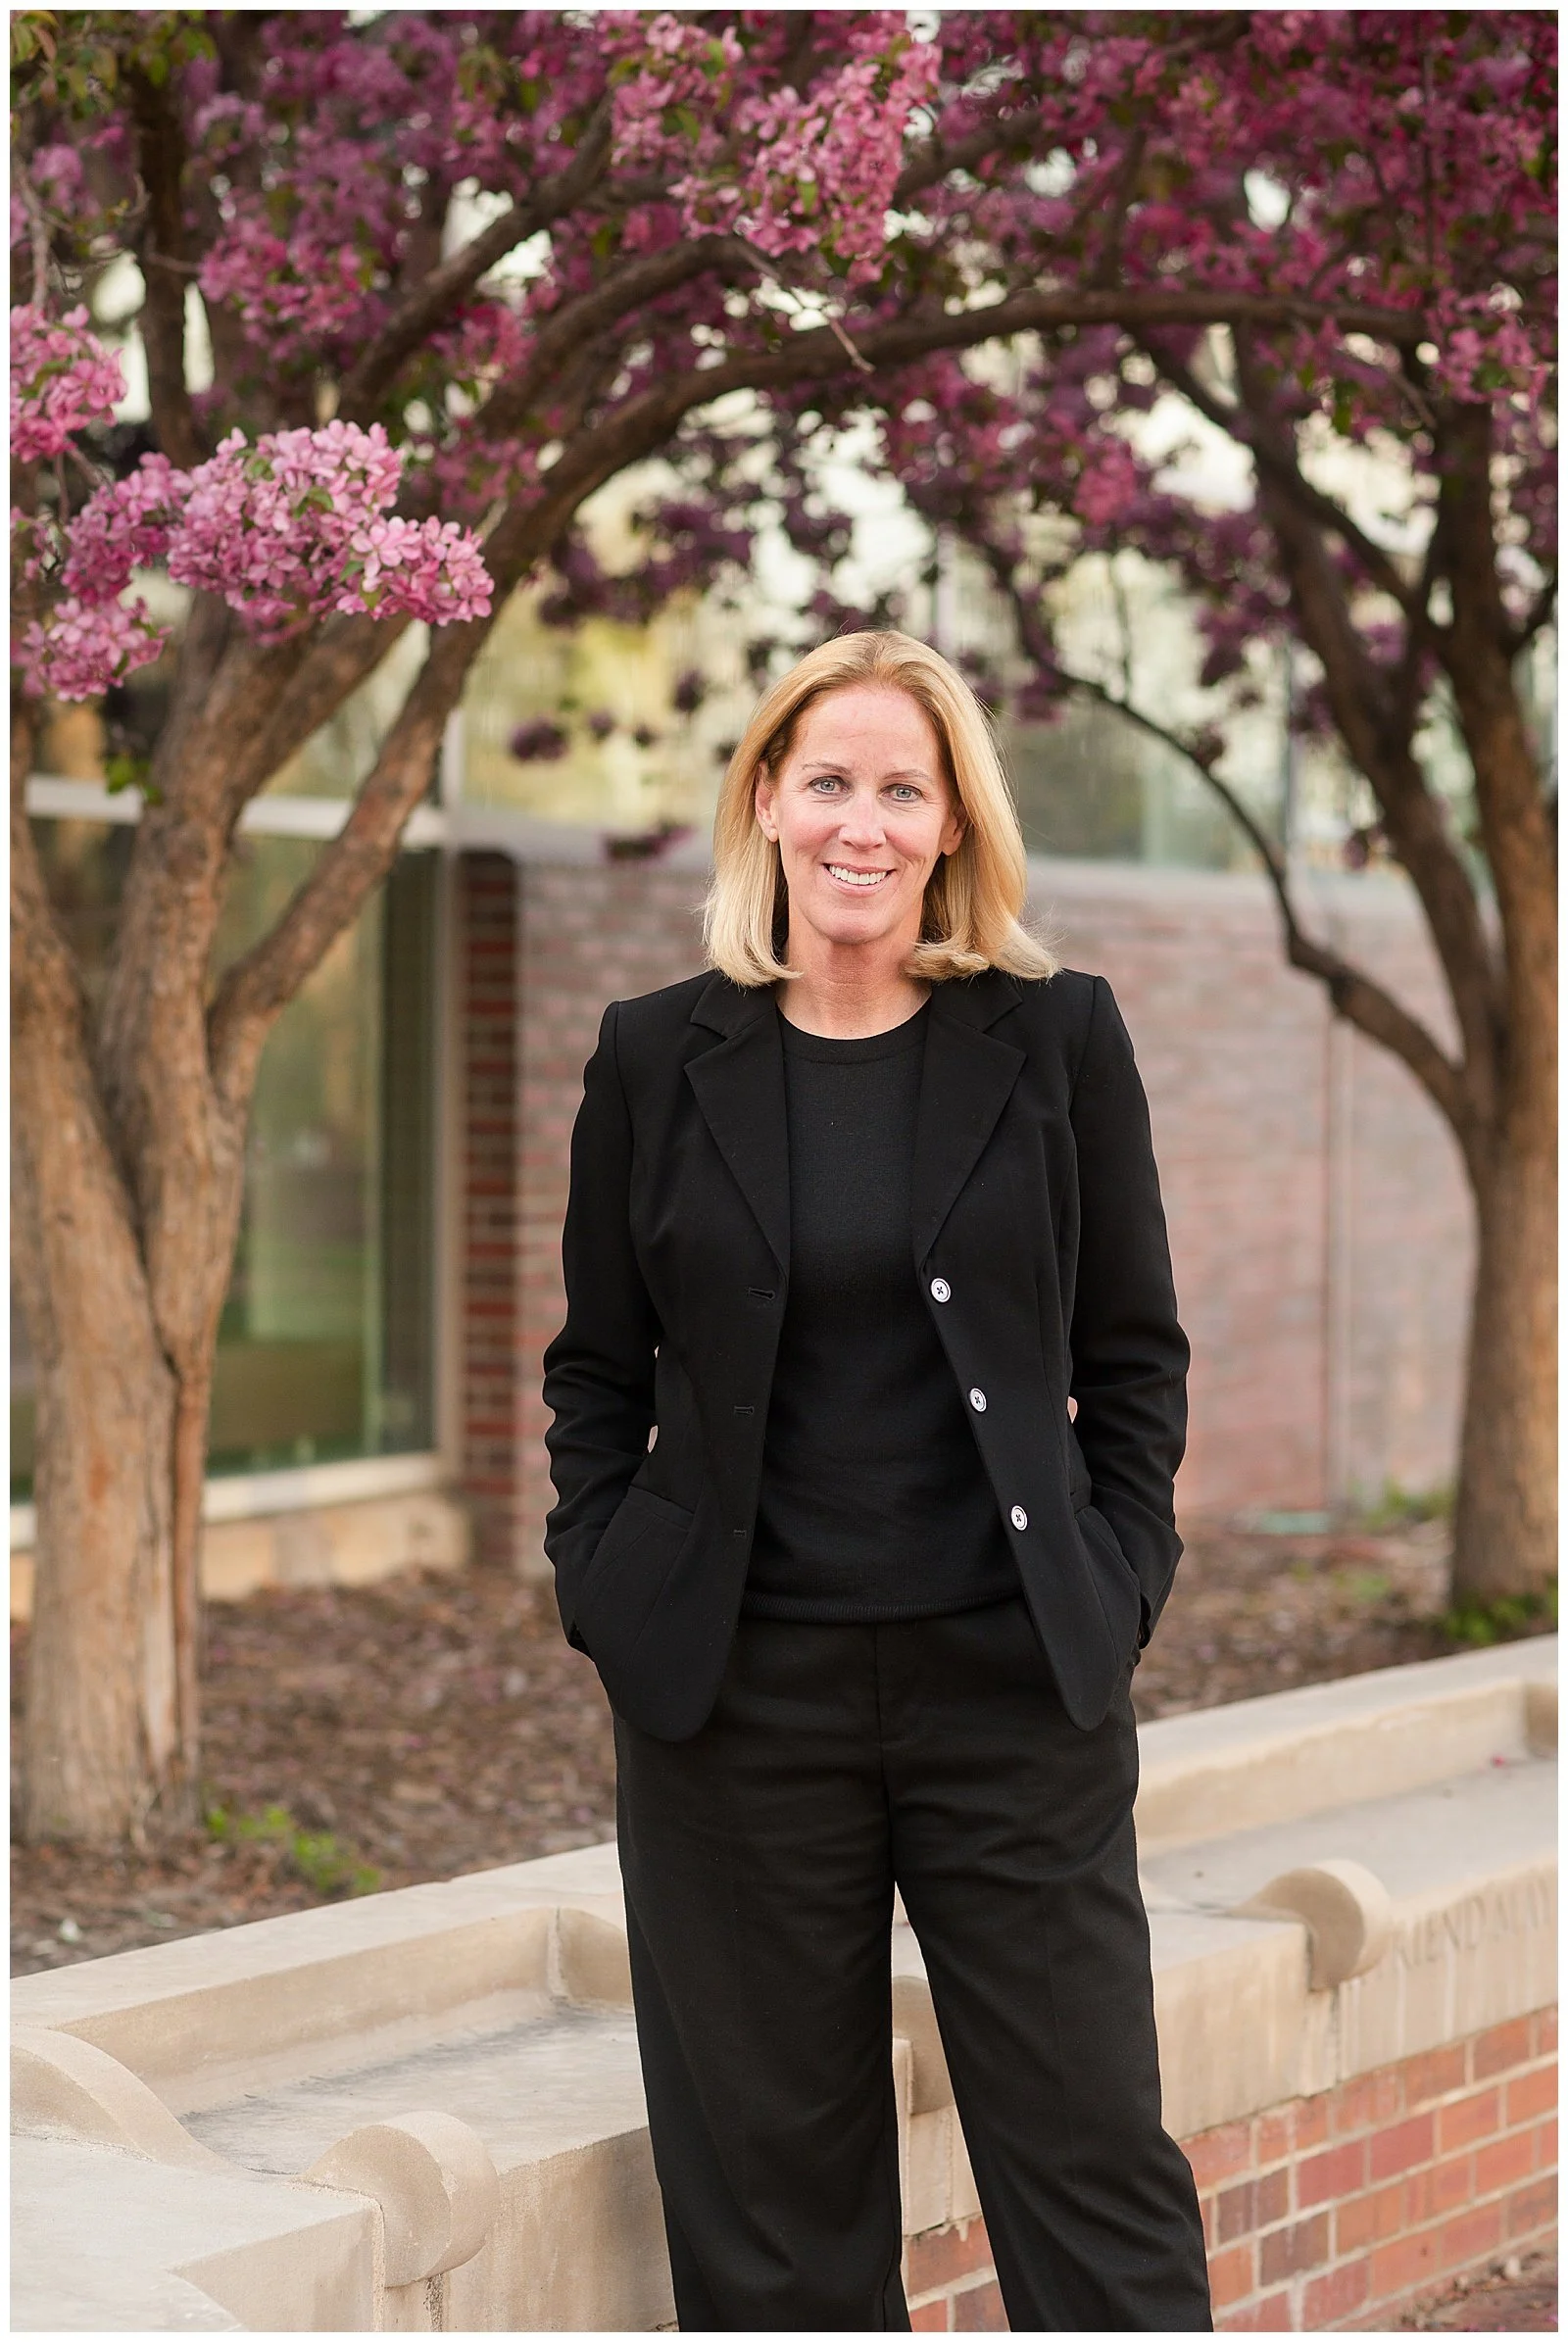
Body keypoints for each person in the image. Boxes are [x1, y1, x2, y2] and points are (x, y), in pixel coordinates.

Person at [542, 629, 1212, 2333]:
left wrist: (1117, 1574)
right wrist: (608, 1580)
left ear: (952, 823)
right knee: (773, 2219)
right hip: (735, 1708)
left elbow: (1133, 1353)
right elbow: (596, 1371)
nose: (862, 821)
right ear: (767, 801)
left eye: (901, 787)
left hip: (1014, 1691)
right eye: (827, 780)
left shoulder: (1058, 1039)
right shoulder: (651, 1056)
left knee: (1094, 2179)